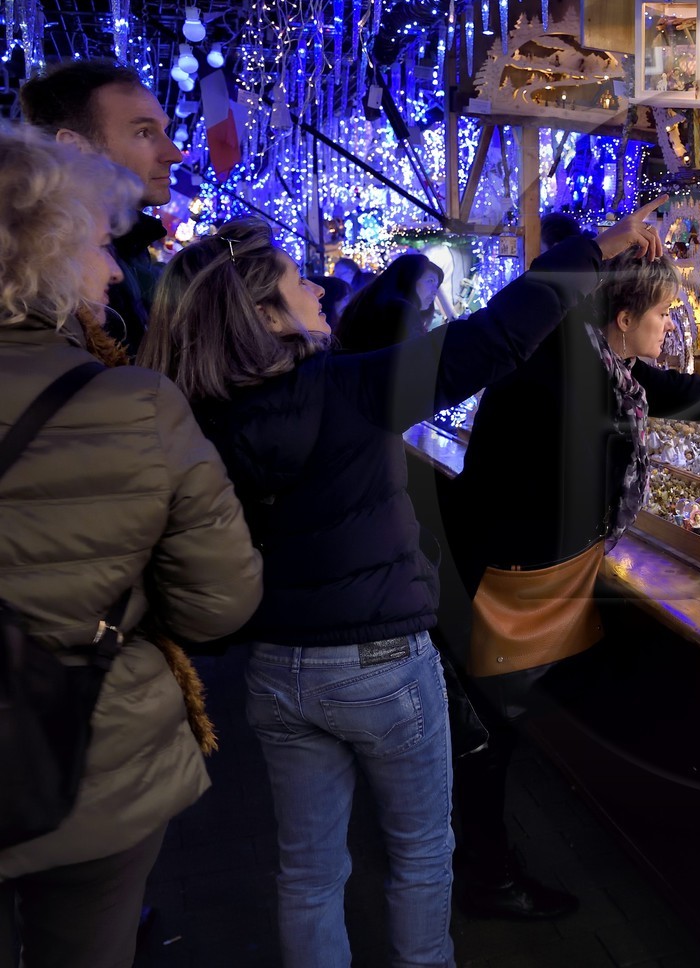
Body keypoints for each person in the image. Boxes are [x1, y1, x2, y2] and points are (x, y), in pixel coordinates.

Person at [138, 199, 667, 968]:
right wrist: (601, 247)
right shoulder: (347, 391)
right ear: (266, 315)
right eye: (298, 282)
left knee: (309, 870)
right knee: (422, 852)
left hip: (277, 668)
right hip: (383, 658)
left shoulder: (199, 416)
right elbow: (497, 334)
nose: (319, 289)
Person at [445, 248, 700, 917]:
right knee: (493, 728)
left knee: (500, 720)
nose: (669, 327)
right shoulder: (561, 377)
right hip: (514, 572)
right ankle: (486, 875)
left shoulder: (600, 365)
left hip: (527, 569)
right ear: (625, 316)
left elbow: (682, 393)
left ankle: (480, 856)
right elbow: (522, 480)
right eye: (661, 314)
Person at [0, 126, 262, 966]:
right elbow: (220, 602)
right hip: (88, 764)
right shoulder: (133, 404)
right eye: (100, 248)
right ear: (42, 256)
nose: (115, 271)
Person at [20, 61, 184, 355]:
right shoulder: (44, 273)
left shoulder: (129, 251)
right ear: (72, 147)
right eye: (144, 133)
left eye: (164, 131)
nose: (174, 154)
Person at [335, 251, 448, 352]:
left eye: (436, 285)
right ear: (409, 278)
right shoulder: (398, 311)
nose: (435, 291)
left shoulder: (372, 303)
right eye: (430, 281)